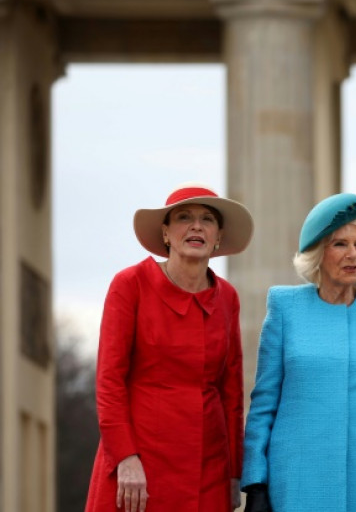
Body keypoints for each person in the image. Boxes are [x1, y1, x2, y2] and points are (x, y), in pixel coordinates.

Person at [241, 187, 356, 512]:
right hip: (296, 482)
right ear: (318, 252)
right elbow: (264, 402)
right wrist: (255, 482)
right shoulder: (285, 306)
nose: (352, 254)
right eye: (340, 244)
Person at [85, 184, 254, 512]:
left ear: (218, 236)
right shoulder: (129, 284)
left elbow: (231, 393)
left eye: (207, 219)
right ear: (165, 233)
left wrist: (234, 473)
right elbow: (109, 382)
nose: (196, 226)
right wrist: (125, 457)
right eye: (184, 217)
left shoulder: (228, 297)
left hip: (209, 465)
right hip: (138, 463)